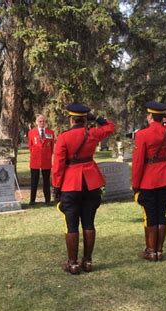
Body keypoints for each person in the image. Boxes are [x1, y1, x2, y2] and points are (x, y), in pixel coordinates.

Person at [52, 104, 115, 274]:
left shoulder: (64, 137)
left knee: (71, 224)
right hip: (91, 182)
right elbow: (110, 127)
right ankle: (87, 261)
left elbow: (58, 166)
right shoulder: (93, 133)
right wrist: (96, 118)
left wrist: (56, 188)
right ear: (85, 119)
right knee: (89, 222)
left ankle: (73, 264)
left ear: (71, 119)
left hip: (71, 184)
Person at [132, 102, 166, 262]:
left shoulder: (142, 134)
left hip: (148, 179)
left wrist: (135, 185)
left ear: (149, 116)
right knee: (161, 214)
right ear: (161, 117)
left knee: (150, 216)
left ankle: (150, 250)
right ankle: (159, 251)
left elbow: (138, 163)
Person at [28, 114, 55, 205]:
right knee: (34, 181)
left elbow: (51, 148)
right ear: (36, 122)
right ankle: (32, 200)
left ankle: (47, 200)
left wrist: (47, 156)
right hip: (35, 161)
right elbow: (30, 147)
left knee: (46, 181)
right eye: (40, 121)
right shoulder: (31, 133)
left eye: (43, 121)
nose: (42, 123)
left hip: (46, 161)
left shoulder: (50, 133)